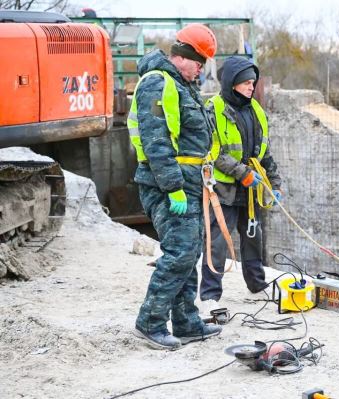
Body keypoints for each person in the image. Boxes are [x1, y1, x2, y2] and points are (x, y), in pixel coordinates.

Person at [127, 24, 222, 350]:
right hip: (167, 185)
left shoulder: (183, 85)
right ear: (184, 57)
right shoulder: (158, 83)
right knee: (180, 252)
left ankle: (186, 322)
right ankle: (150, 322)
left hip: (189, 184)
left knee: (189, 251)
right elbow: (157, 143)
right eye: (199, 62)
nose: (201, 69)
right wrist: (172, 188)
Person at [200, 56, 282, 306]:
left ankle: (257, 285)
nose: (250, 87)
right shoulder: (213, 109)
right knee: (217, 243)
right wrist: (242, 173)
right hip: (222, 191)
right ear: (231, 82)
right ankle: (210, 295)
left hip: (250, 194)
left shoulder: (256, 110)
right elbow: (214, 153)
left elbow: (264, 152)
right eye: (246, 82)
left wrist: (275, 184)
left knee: (253, 239)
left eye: (252, 82)